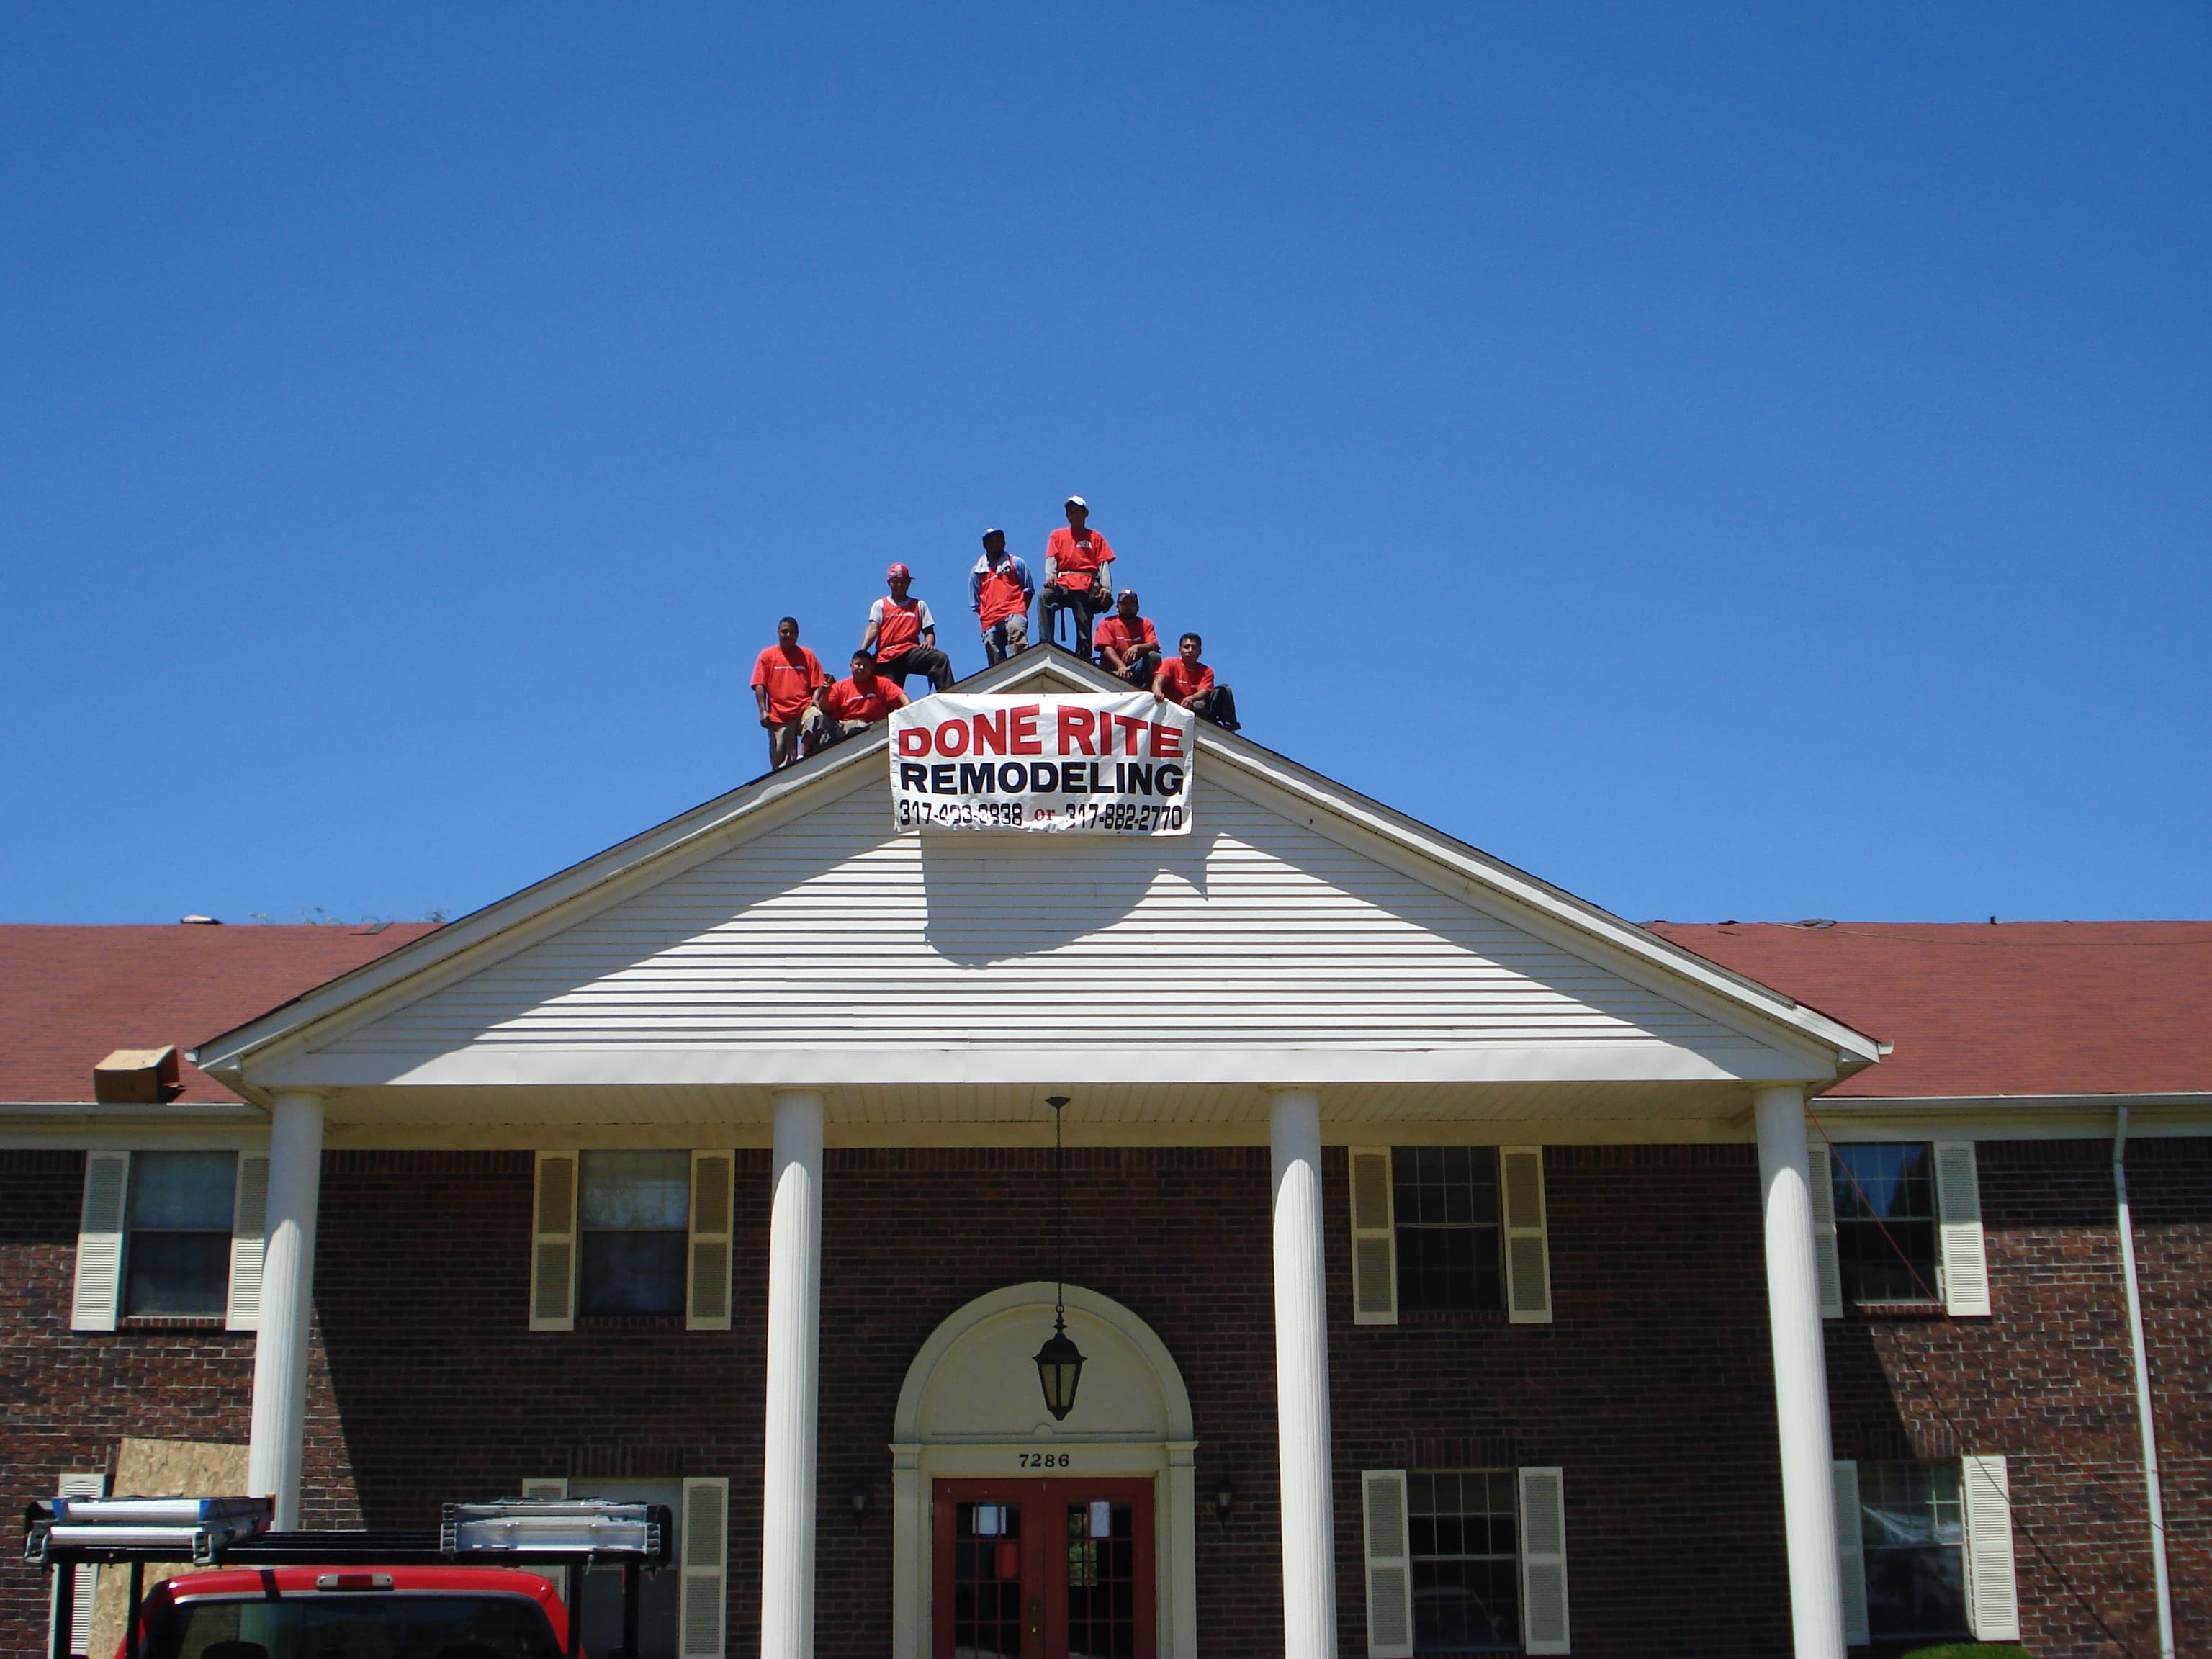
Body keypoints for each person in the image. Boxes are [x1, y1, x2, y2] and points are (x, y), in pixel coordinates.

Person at [1038, 495, 1115, 660]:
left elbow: (1103, 563)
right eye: (1071, 513)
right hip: (1064, 582)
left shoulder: (1095, 537)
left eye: (1078, 512)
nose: (1074, 515)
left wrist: (1106, 588)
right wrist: (1050, 576)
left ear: (1086, 513)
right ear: (1067, 516)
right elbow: (1051, 558)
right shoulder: (1057, 535)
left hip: (1086, 584)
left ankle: (1083, 659)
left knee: (1084, 628)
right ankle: (1046, 644)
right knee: (1045, 598)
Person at [751, 616, 830, 770]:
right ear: (778, 633)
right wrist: (763, 711)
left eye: (792, 632)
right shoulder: (767, 656)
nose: (788, 635)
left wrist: (815, 700)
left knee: (816, 717)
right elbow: (759, 684)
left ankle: (803, 754)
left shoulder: (808, 655)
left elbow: (818, 682)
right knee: (779, 762)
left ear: (798, 634)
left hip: (802, 708)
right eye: (784, 632)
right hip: (778, 715)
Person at [863, 563, 956, 693]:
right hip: (887, 655)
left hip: (910, 651)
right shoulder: (880, 605)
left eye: (903, 582)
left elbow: (929, 631)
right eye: (896, 582)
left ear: (909, 583)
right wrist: (863, 651)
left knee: (939, 658)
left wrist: (929, 643)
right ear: (889, 583)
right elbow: (873, 628)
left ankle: (949, 695)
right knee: (889, 693)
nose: (899, 585)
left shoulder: (919, 605)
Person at [804, 650, 909, 752]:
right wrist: (826, 693)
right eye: (858, 664)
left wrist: (910, 711)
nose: (862, 668)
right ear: (850, 666)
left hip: (872, 728)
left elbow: (901, 696)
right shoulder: (840, 687)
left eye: (865, 665)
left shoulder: (881, 683)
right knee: (816, 717)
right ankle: (805, 755)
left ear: (872, 667)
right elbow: (826, 709)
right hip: (844, 728)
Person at [968, 528, 1035, 665]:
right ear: (985, 546)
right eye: (991, 541)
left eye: (998, 540)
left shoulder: (1016, 563)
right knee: (993, 652)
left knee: (1016, 631)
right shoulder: (977, 572)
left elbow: (1028, 591)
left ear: (1004, 543)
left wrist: (1019, 610)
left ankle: (1024, 672)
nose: (995, 544)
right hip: (990, 620)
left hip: (1013, 612)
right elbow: (976, 604)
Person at [1153, 631, 1239, 731]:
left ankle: (1229, 726)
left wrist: (1191, 698)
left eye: (1194, 648)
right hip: (1174, 707)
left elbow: (1204, 691)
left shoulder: (1207, 671)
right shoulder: (1170, 663)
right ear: (1179, 650)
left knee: (1223, 690)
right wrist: (1157, 691)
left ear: (1200, 652)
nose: (1190, 650)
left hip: (1197, 707)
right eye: (1186, 647)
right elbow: (1159, 678)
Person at [1092, 589, 1161, 689]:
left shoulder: (1145, 623)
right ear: (1117, 607)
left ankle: (1147, 690)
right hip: (1114, 672)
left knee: (1154, 657)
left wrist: (1137, 647)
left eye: (1131, 603)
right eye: (1124, 603)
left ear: (1137, 607)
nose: (1128, 606)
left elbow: (1154, 645)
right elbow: (1106, 648)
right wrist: (1121, 666)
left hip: (1136, 670)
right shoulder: (1107, 623)